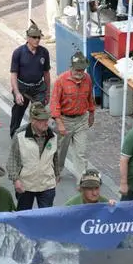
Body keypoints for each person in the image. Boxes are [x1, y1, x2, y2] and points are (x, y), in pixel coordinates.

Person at [51, 50, 95, 179]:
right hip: (65, 120)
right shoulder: (61, 80)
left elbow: (90, 98)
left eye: (82, 70)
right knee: (60, 151)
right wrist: (59, 123)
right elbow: (54, 103)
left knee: (81, 152)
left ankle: (81, 180)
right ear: (71, 68)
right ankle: (56, 172)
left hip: (81, 120)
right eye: (77, 70)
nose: (79, 73)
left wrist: (92, 114)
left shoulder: (87, 79)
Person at [7, 102, 58, 210]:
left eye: (46, 119)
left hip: (47, 185)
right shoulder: (19, 135)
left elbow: (55, 157)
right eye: (42, 120)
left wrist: (56, 175)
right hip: (26, 185)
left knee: (46, 218)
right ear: (32, 120)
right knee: (24, 217)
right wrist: (16, 180)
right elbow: (12, 160)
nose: (46, 123)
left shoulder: (53, 135)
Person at [8, 21, 50, 137]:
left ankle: (37, 135)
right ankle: (14, 135)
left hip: (38, 87)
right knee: (18, 111)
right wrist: (16, 93)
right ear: (28, 38)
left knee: (39, 113)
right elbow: (13, 74)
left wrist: (48, 92)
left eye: (38, 37)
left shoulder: (44, 52)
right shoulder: (18, 53)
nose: (37, 40)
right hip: (22, 87)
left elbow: (46, 73)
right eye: (34, 37)